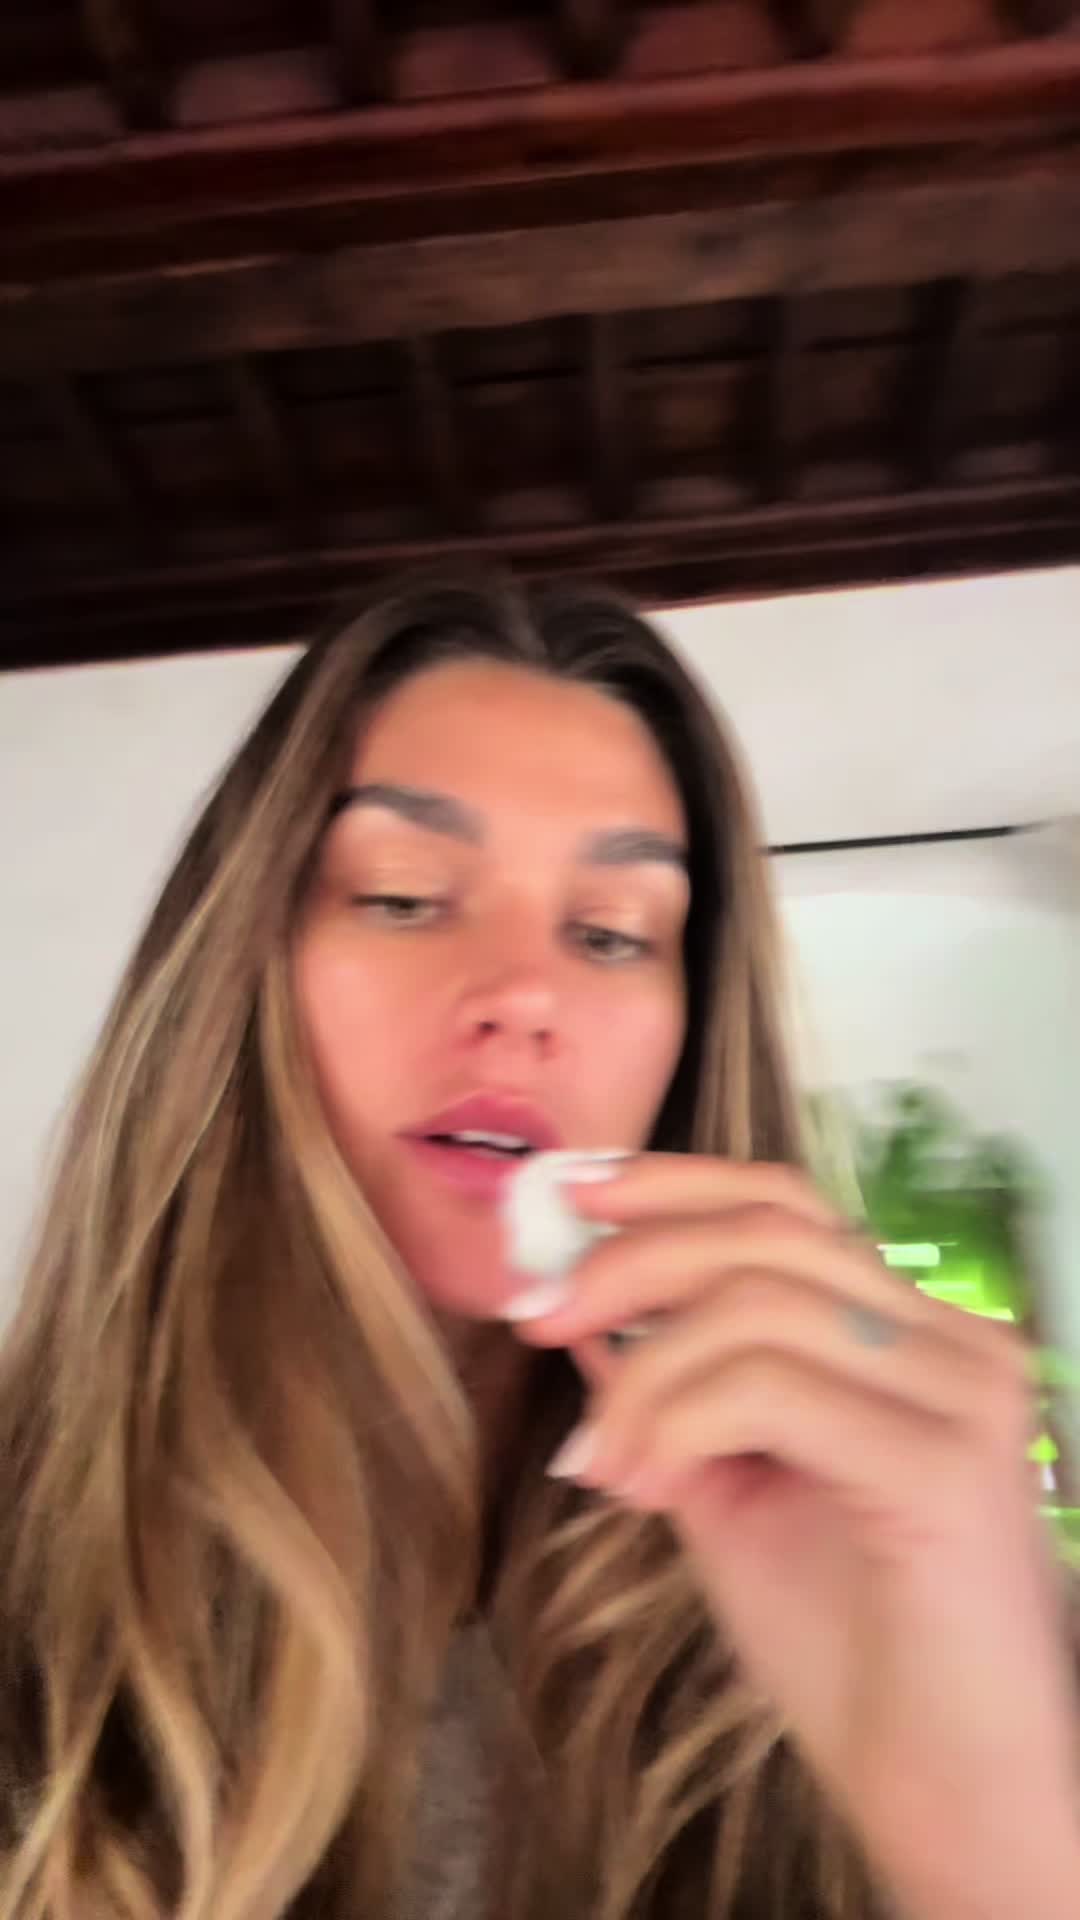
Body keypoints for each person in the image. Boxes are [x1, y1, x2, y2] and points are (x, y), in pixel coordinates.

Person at [0, 575, 1077, 1920]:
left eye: (613, 933)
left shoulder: (882, 1604)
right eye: (401, 897)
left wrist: (998, 1843)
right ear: (236, 974)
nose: (522, 995)